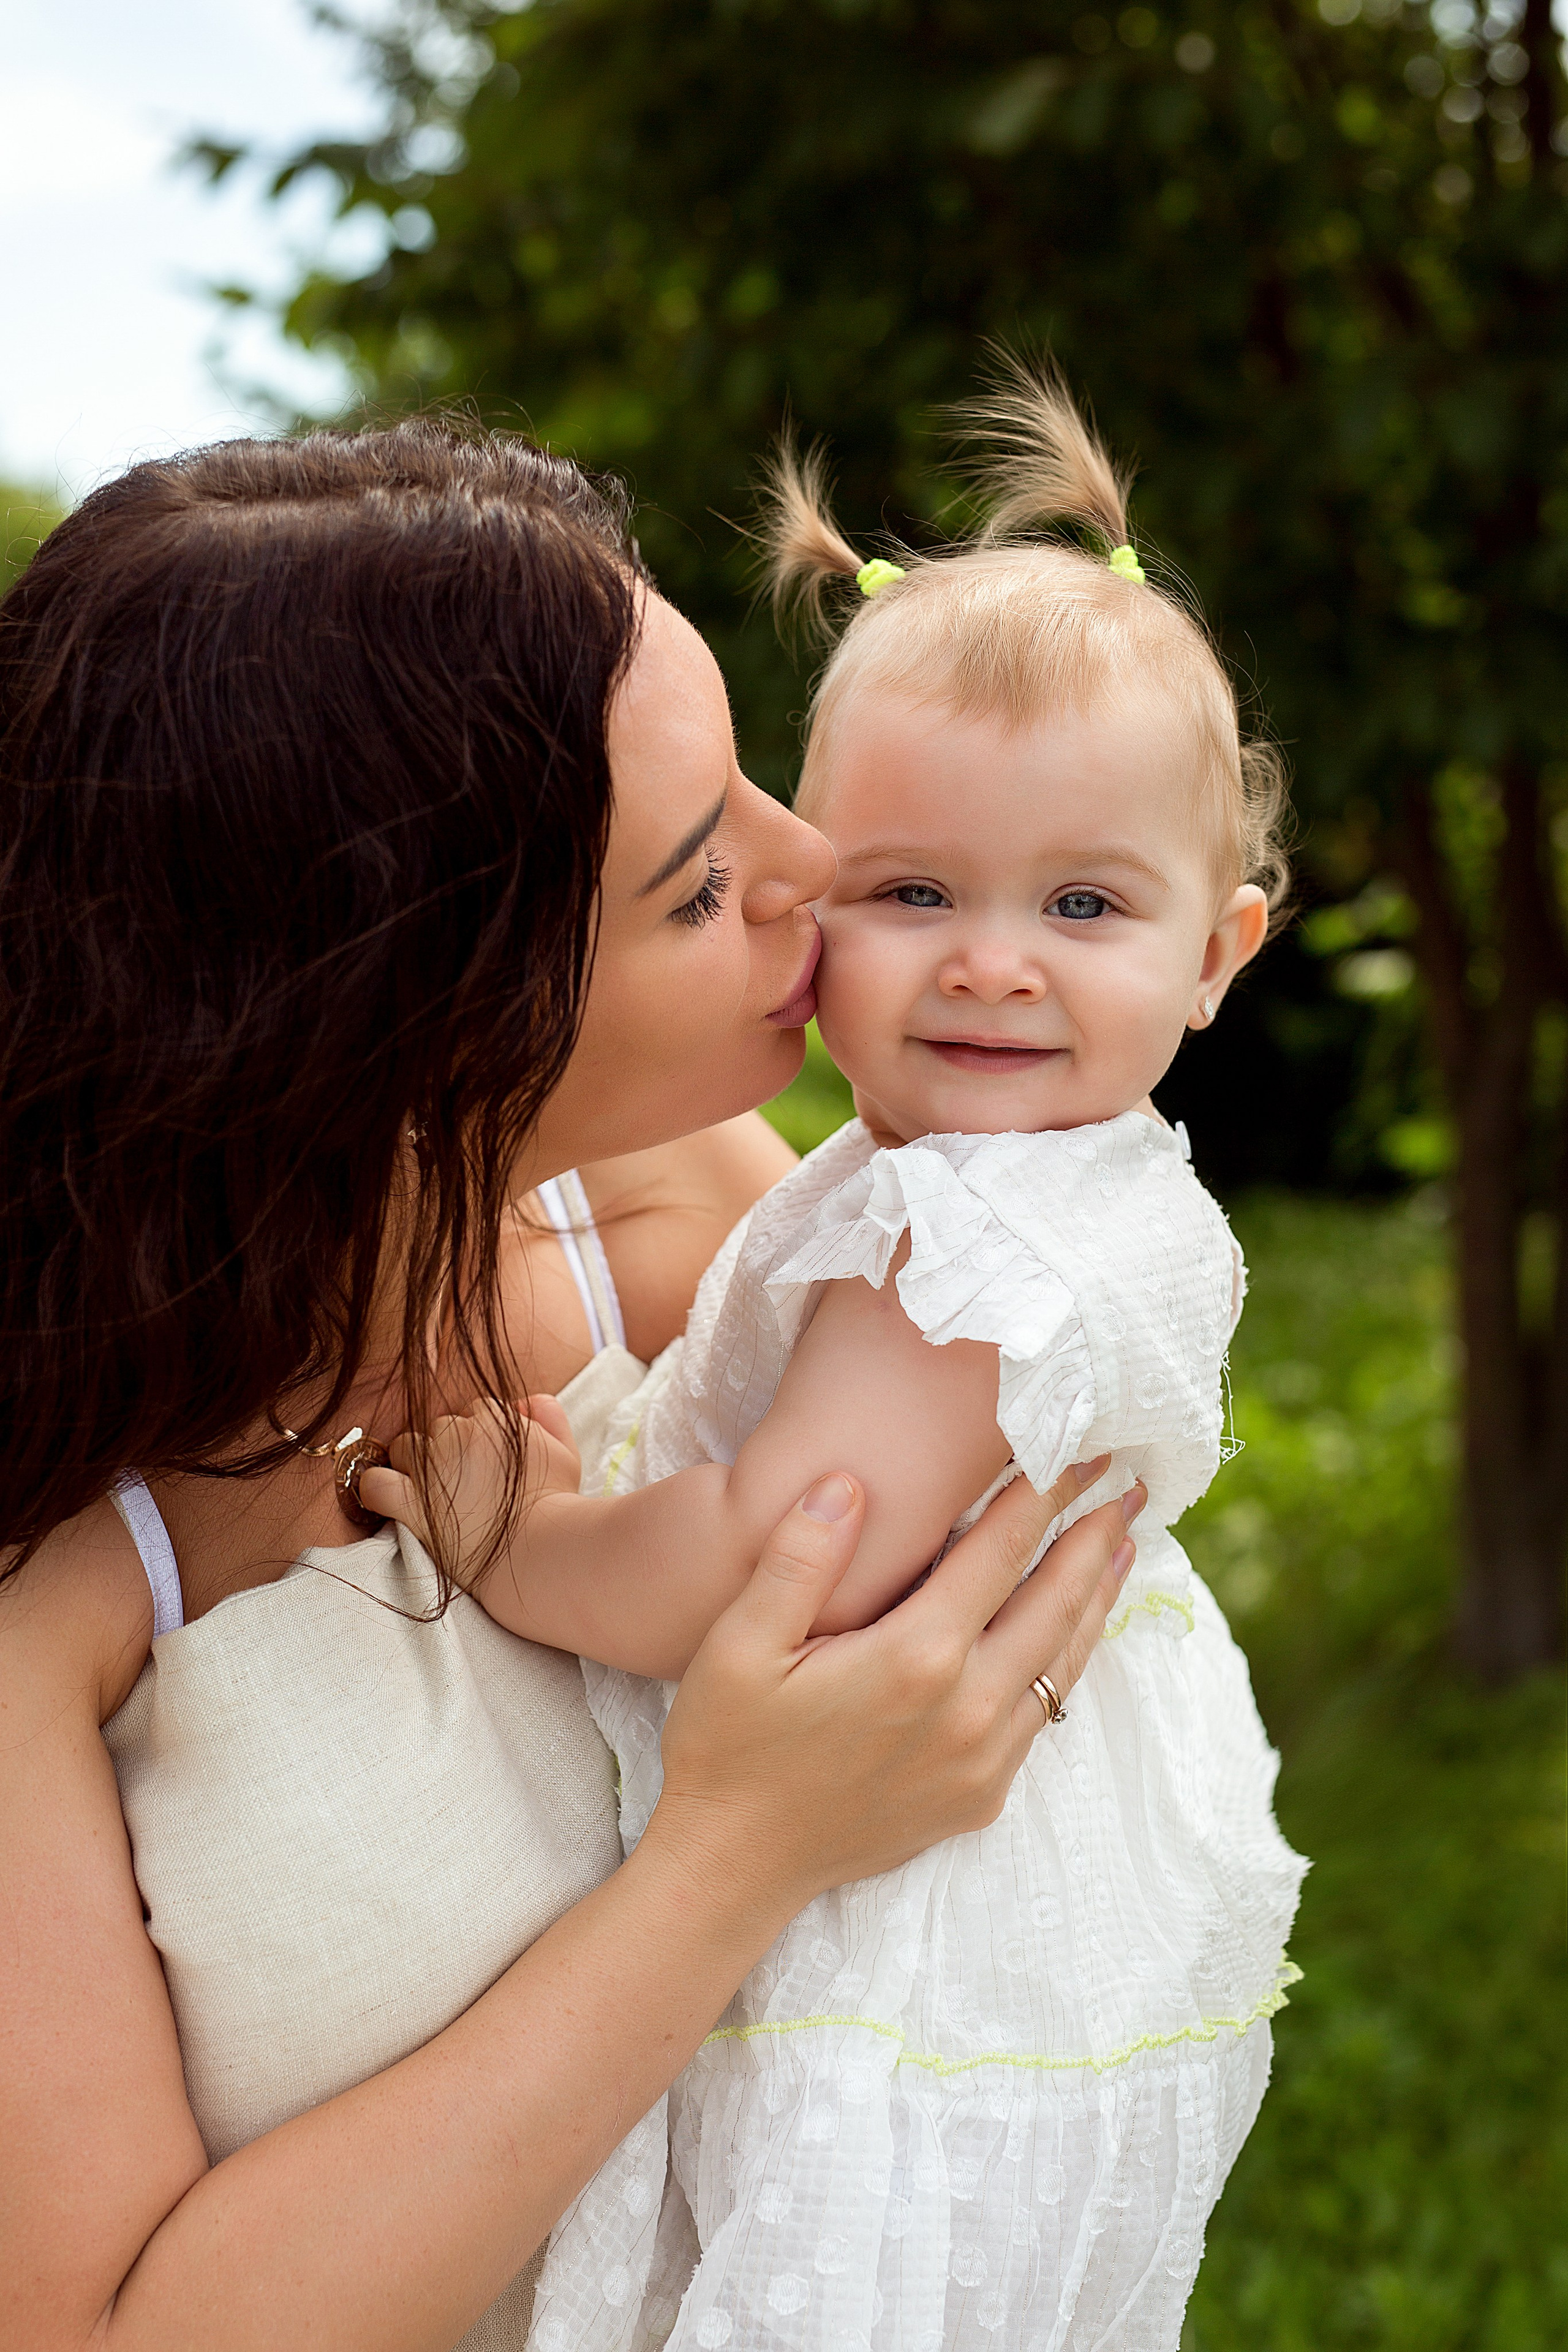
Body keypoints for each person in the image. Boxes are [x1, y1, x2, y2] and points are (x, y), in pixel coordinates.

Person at [0, 420, 1139, 2352]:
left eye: (754, 794)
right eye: (699, 890)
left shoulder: (717, 1229)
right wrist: (739, 1853)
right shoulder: (66, 1573)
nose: (815, 869)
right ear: (402, 1019)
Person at [374, 369, 1308, 2350]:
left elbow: (766, 1558)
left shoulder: (980, 1241)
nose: (990, 959)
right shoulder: (974, 1174)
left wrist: (508, 1516)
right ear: (817, 899)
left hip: (935, 1943)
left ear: (1220, 952)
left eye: (1082, 903)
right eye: (915, 894)